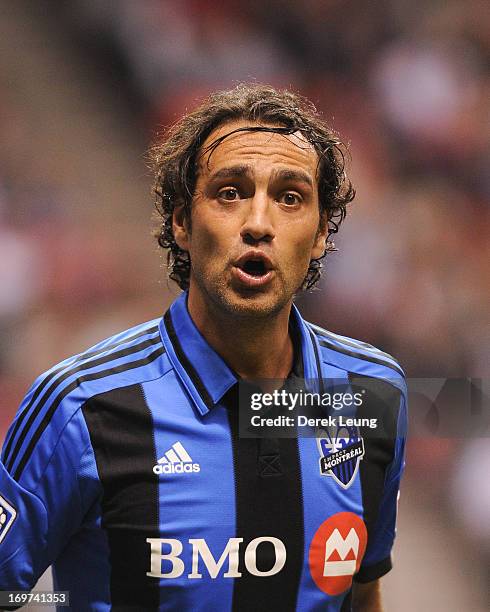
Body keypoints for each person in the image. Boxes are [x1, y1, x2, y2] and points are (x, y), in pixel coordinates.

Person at [0, 84, 407, 611]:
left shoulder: (372, 394)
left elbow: (362, 592)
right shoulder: (79, 406)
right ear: (181, 222)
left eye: (290, 198)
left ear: (322, 232)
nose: (258, 224)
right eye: (230, 192)